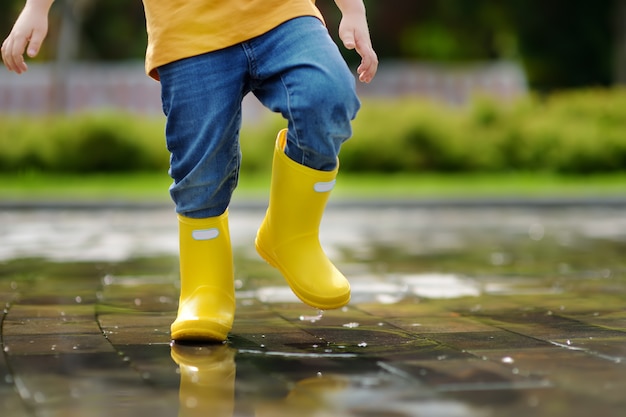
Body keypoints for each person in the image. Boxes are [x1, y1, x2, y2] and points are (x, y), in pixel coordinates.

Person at [2, 0, 378, 342]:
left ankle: (292, 234)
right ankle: (205, 288)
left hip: (283, 15)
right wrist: (37, 7)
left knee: (328, 94)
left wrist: (353, 10)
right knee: (199, 168)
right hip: (187, 30)